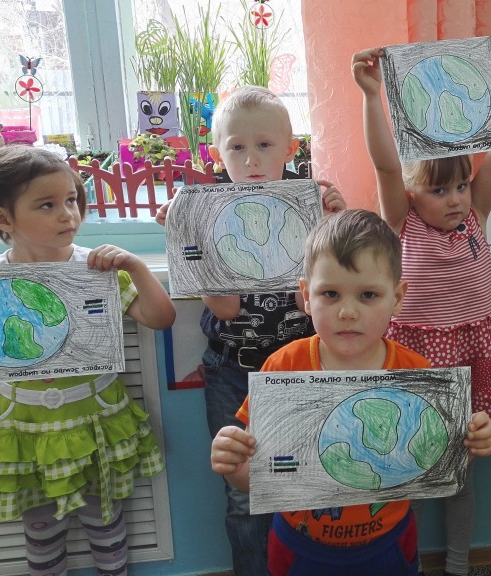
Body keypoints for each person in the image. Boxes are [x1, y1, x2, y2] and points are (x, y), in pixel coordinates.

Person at [209, 209, 491, 576]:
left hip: (388, 544)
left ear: (397, 297)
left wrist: (468, 446)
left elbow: (436, 468)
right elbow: (254, 479)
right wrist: (234, 467)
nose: (347, 312)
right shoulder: (283, 366)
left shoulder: (416, 372)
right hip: (299, 546)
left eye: (368, 295)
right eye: (330, 293)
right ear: (306, 296)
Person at [0, 145, 176, 576]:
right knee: (41, 534)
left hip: (95, 424)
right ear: (3, 218)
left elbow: (161, 318)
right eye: (47, 205)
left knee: (107, 528)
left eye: (71, 200)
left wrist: (136, 266)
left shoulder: (97, 270)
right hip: (26, 431)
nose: (68, 215)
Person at [351, 34, 491, 576]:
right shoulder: (400, 223)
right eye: (440, 191)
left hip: (473, 356)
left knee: (460, 471)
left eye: (461, 185)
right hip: (416, 361)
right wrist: (371, 95)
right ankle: (402, 559)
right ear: (414, 192)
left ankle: (459, 561)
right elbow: (386, 165)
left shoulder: (475, 215)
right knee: (405, 469)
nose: (456, 198)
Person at [157, 84, 345, 576]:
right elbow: (225, 308)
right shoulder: (205, 211)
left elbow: (324, 295)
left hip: (301, 366)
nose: (251, 159)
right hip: (233, 372)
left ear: (291, 148)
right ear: (217, 153)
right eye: (236, 147)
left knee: (307, 476)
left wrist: (335, 223)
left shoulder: (310, 203)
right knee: (244, 493)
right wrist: (185, 237)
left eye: (264, 144)